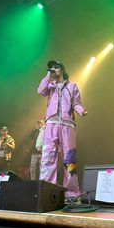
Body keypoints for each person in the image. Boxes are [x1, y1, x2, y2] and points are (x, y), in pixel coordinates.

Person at [37, 60, 87, 199]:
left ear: (63, 70)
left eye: (56, 67)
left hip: (67, 124)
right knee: (48, 156)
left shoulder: (72, 86)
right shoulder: (50, 85)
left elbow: (76, 104)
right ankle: (46, 190)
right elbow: (40, 91)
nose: (53, 69)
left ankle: (71, 191)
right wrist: (48, 75)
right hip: (51, 123)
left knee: (69, 158)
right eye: (51, 67)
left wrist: (81, 111)